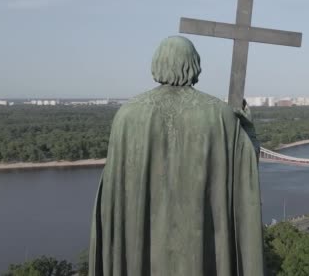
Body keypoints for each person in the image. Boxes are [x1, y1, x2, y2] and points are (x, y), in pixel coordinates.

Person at [89, 36, 264, 276]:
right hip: (199, 234)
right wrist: (247, 126)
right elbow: (248, 164)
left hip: (145, 238)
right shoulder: (220, 114)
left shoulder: (127, 114)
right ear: (194, 65)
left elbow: (114, 191)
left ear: (157, 64)